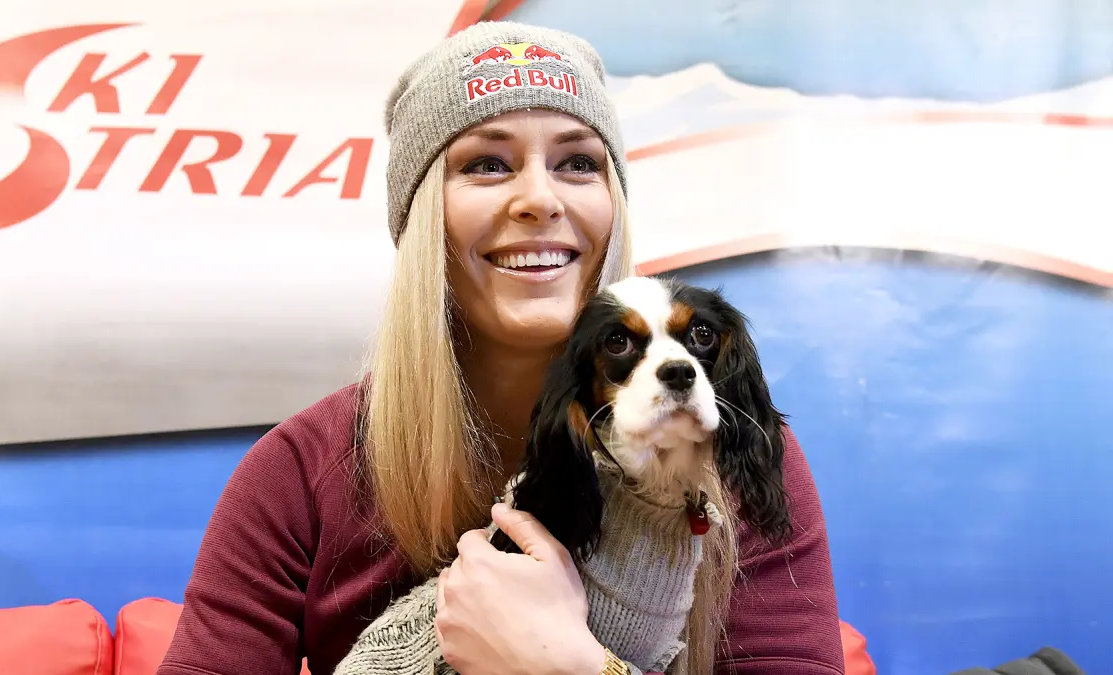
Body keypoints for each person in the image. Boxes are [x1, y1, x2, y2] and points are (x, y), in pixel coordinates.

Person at [157, 21, 845, 675]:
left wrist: (564, 663)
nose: (539, 198)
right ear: (424, 213)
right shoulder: (298, 474)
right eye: (487, 163)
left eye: (579, 162)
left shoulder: (732, 446)